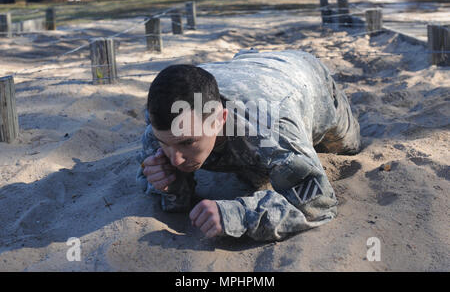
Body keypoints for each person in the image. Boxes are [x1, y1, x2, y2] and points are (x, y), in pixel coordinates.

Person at [136, 50, 361, 241]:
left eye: (187, 142)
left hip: (304, 74)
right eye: (165, 144)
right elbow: (175, 199)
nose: (175, 159)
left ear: (219, 120)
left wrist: (238, 215)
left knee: (347, 145)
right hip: (240, 69)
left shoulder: (270, 127)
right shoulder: (164, 127)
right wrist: (170, 185)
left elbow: (319, 207)